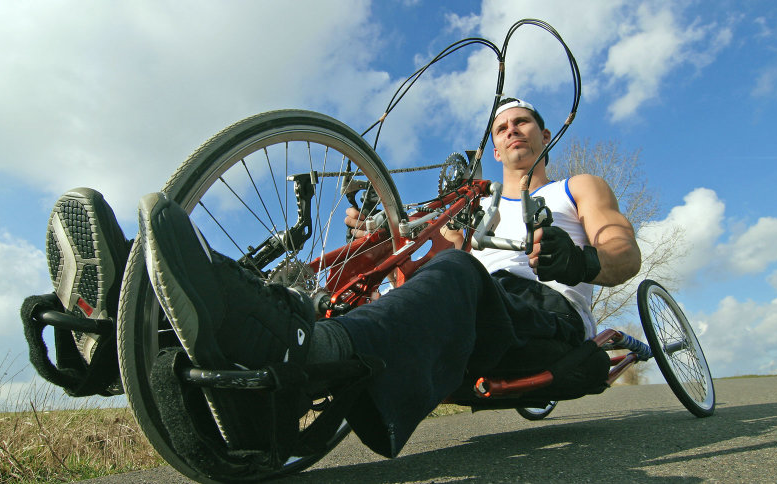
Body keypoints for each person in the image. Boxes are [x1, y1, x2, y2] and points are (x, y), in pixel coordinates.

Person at [42, 98, 640, 460]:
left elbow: (622, 251)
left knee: (456, 271)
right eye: (502, 125)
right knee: (415, 273)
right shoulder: (475, 212)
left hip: (546, 315)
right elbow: (428, 269)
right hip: (477, 319)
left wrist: (582, 262)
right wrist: (372, 236)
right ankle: (134, 316)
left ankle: (294, 341)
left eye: (523, 123)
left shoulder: (574, 188)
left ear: (544, 135)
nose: (512, 131)